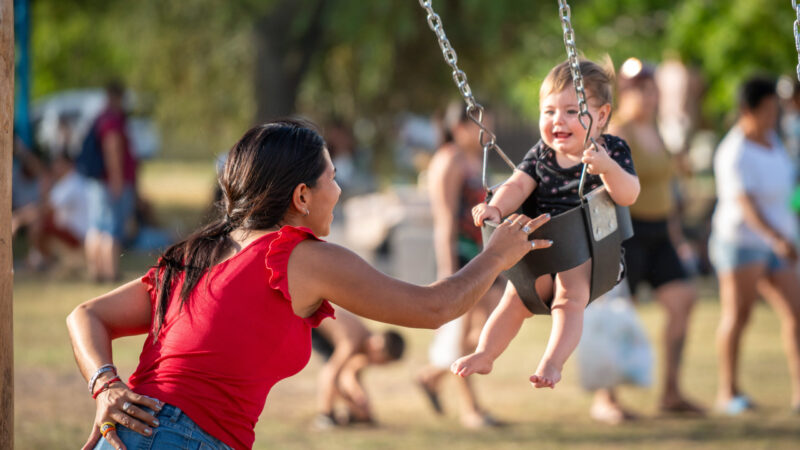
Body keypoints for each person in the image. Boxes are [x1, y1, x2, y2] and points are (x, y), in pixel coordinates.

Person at [67, 119, 551, 450]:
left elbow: (86, 315)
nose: (338, 191)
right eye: (332, 178)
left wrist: (104, 385)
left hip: (132, 435)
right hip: (181, 439)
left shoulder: (200, 253)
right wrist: (497, 256)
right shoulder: (296, 255)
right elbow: (432, 309)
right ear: (302, 195)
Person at [452, 59, 640, 389]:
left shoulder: (610, 150)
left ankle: (552, 362)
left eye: (571, 111)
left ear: (601, 116)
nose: (557, 120)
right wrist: (495, 208)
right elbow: (517, 184)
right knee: (513, 298)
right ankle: (485, 353)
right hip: (541, 250)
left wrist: (608, 168)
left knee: (568, 297)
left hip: (588, 253)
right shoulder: (541, 154)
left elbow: (629, 194)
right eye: (549, 111)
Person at [606, 57, 704, 415]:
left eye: (651, 90)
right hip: (629, 233)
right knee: (621, 315)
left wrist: (677, 238)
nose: (647, 97)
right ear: (625, 92)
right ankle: (608, 400)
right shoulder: (619, 131)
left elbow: (669, 190)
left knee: (683, 300)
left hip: (661, 232)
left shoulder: (659, 130)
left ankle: (671, 393)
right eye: (640, 90)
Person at [709, 76, 800, 415]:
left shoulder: (774, 140)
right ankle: (727, 392)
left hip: (780, 243)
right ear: (747, 110)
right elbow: (746, 205)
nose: (772, 117)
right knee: (739, 315)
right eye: (767, 111)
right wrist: (775, 238)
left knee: (796, 313)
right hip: (742, 243)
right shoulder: (733, 152)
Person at [415, 102, 505, 428]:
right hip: (461, 257)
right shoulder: (449, 160)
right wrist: (448, 272)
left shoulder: (475, 159)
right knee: (465, 333)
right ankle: (471, 409)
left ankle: (432, 375)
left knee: (486, 331)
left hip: (484, 255)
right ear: (458, 129)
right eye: (480, 126)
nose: (487, 131)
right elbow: (444, 219)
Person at [312, 306, 405, 428]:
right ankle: (325, 416)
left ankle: (351, 414)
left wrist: (360, 400)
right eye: (382, 362)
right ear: (377, 347)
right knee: (333, 372)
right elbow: (330, 374)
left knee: (339, 378)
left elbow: (349, 376)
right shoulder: (351, 342)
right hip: (309, 320)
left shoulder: (364, 342)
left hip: (324, 330)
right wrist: (327, 413)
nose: (377, 365)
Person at [84, 80, 138, 282]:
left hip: (98, 182)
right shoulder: (112, 120)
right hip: (111, 182)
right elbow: (112, 148)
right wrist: (117, 179)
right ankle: (111, 272)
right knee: (112, 228)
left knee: (96, 227)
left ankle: (96, 271)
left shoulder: (100, 117)